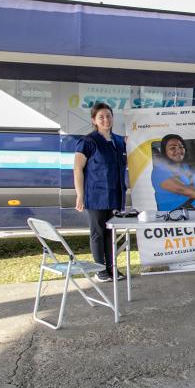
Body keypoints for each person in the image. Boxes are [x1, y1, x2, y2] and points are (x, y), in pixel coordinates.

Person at [73, 102, 128, 283]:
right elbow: (78, 169)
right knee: (97, 232)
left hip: (115, 194)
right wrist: (80, 194)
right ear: (94, 120)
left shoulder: (120, 141)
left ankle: (112, 268)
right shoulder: (88, 142)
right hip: (95, 195)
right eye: (101, 117)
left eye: (108, 116)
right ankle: (100, 269)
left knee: (111, 232)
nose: (106, 119)